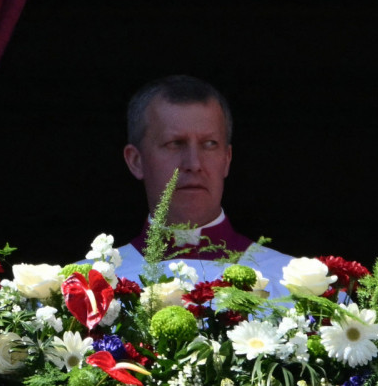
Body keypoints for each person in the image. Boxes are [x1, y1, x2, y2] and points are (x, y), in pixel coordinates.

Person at [112, 75, 295, 297]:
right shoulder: (89, 291)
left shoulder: (293, 285)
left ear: (226, 159)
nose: (193, 164)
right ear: (136, 161)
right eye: (174, 144)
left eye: (209, 144)